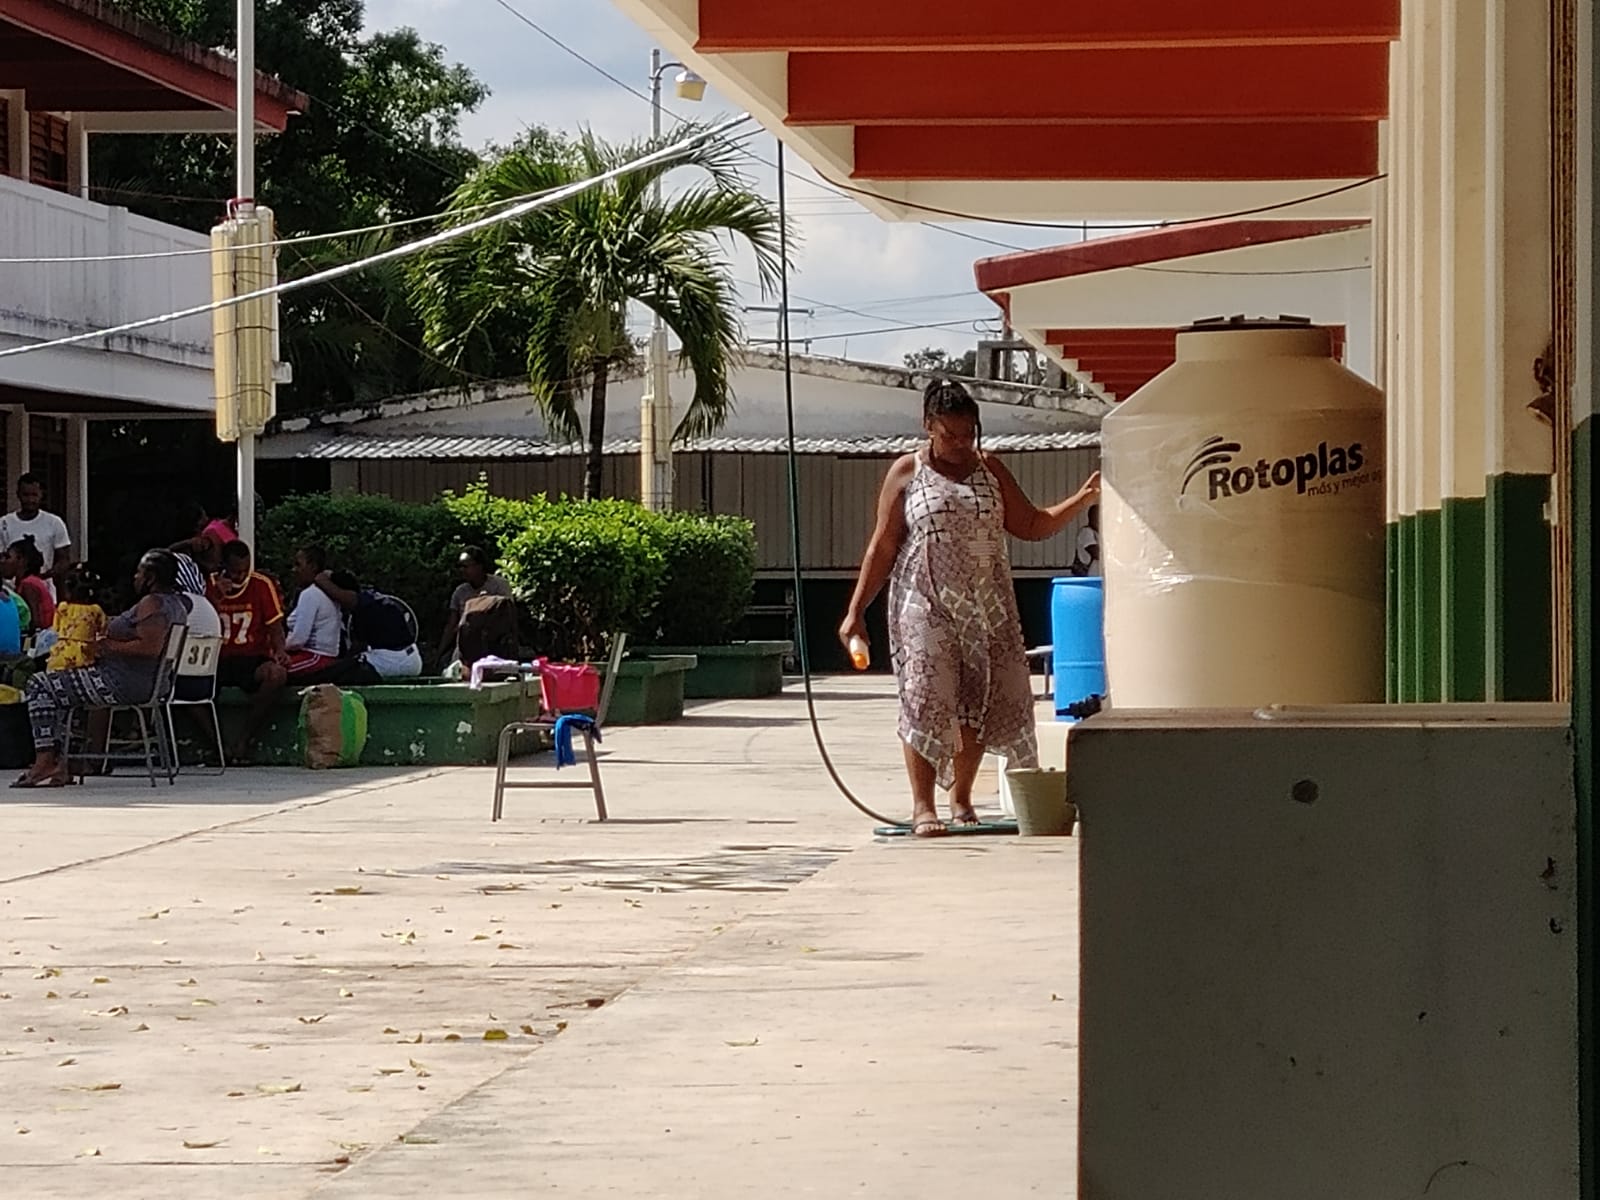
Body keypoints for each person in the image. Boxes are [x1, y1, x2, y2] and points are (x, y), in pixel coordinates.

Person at [839, 378, 1102, 838]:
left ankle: (961, 799)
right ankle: (923, 805)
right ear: (928, 426)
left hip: (986, 604)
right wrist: (855, 610)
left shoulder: (990, 469)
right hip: (923, 602)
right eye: (950, 434)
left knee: (977, 699)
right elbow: (883, 545)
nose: (961, 444)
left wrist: (1081, 500)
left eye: (969, 433)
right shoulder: (907, 472)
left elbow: (1031, 524)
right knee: (926, 695)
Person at [15, 548, 189, 788]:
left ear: (151, 577)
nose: (135, 577)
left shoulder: (153, 603)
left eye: (139, 573)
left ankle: (45, 760)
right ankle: (62, 764)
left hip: (122, 682)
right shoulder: (177, 604)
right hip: (144, 681)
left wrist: (105, 646)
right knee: (59, 687)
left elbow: (150, 647)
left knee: (39, 684)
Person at [207, 540, 288, 761]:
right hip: (216, 659)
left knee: (277, 675)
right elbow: (200, 622)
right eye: (235, 572)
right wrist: (216, 598)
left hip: (251, 658)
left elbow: (275, 627)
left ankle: (245, 739)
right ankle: (218, 745)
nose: (241, 577)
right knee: (187, 685)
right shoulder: (207, 585)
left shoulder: (261, 584)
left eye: (245, 571)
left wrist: (280, 650)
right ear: (224, 567)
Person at [312, 568, 423, 679]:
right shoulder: (373, 598)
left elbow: (357, 649)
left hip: (390, 662)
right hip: (413, 659)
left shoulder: (361, 606)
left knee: (345, 671)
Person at [435, 547, 512, 666]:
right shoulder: (460, 592)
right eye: (460, 566)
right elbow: (451, 625)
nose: (462, 570)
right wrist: (439, 654)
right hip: (466, 648)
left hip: (494, 646)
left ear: (479, 566)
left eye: (465, 566)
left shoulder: (500, 586)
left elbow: (508, 615)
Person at [0, 474, 72, 598]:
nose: (30, 500)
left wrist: (46, 575)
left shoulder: (54, 522)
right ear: (18, 494)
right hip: (11, 594)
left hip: (44, 591)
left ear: (41, 495)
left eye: (34, 495)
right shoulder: (4, 523)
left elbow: (64, 559)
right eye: (26, 495)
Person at [283, 545, 344, 680]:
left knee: (273, 672)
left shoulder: (310, 594)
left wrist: (277, 647)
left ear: (313, 566)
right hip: (317, 656)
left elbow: (299, 640)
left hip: (316, 656)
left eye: (298, 565)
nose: (294, 570)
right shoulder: (324, 592)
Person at [48, 566, 106, 671]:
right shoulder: (96, 610)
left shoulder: (63, 607)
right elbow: (102, 631)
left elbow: (55, 629)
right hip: (86, 654)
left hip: (62, 654)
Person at [2, 536, 54, 632]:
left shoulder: (28, 585)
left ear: (21, 560)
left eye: (8, 557)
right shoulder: (29, 582)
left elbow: (35, 621)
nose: (3, 562)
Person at [1073, 504, 1102, 578]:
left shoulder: (1099, 534)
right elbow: (1096, 553)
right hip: (1089, 577)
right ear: (1091, 517)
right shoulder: (1086, 532)